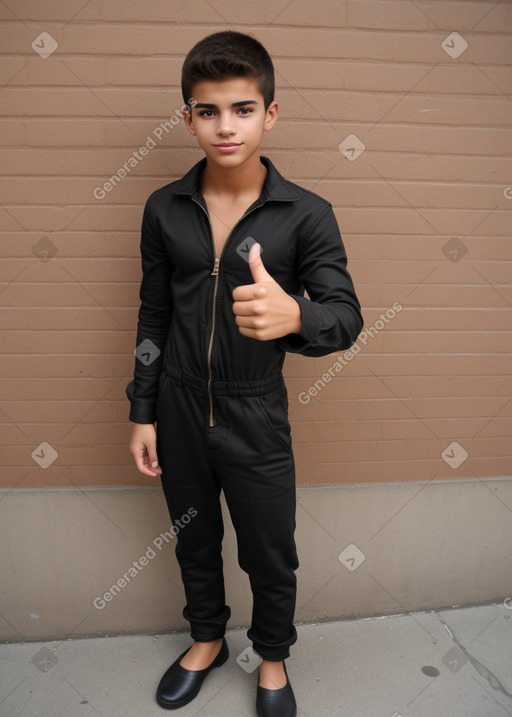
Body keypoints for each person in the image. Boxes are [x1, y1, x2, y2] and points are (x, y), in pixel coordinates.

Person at [126, 30, 363, 717]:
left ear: (271, 113)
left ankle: (272, 657)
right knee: (194, 538)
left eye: (242, 108)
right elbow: (151, 316)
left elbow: (345, 317)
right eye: (207, 110)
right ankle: (205, 640)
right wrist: (142, 407)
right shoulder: (164, 209)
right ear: (188, 118)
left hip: (254, 410)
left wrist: (296, 316)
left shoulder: (306, 213)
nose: (225, 126)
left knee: (269, 549)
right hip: (174, 407)